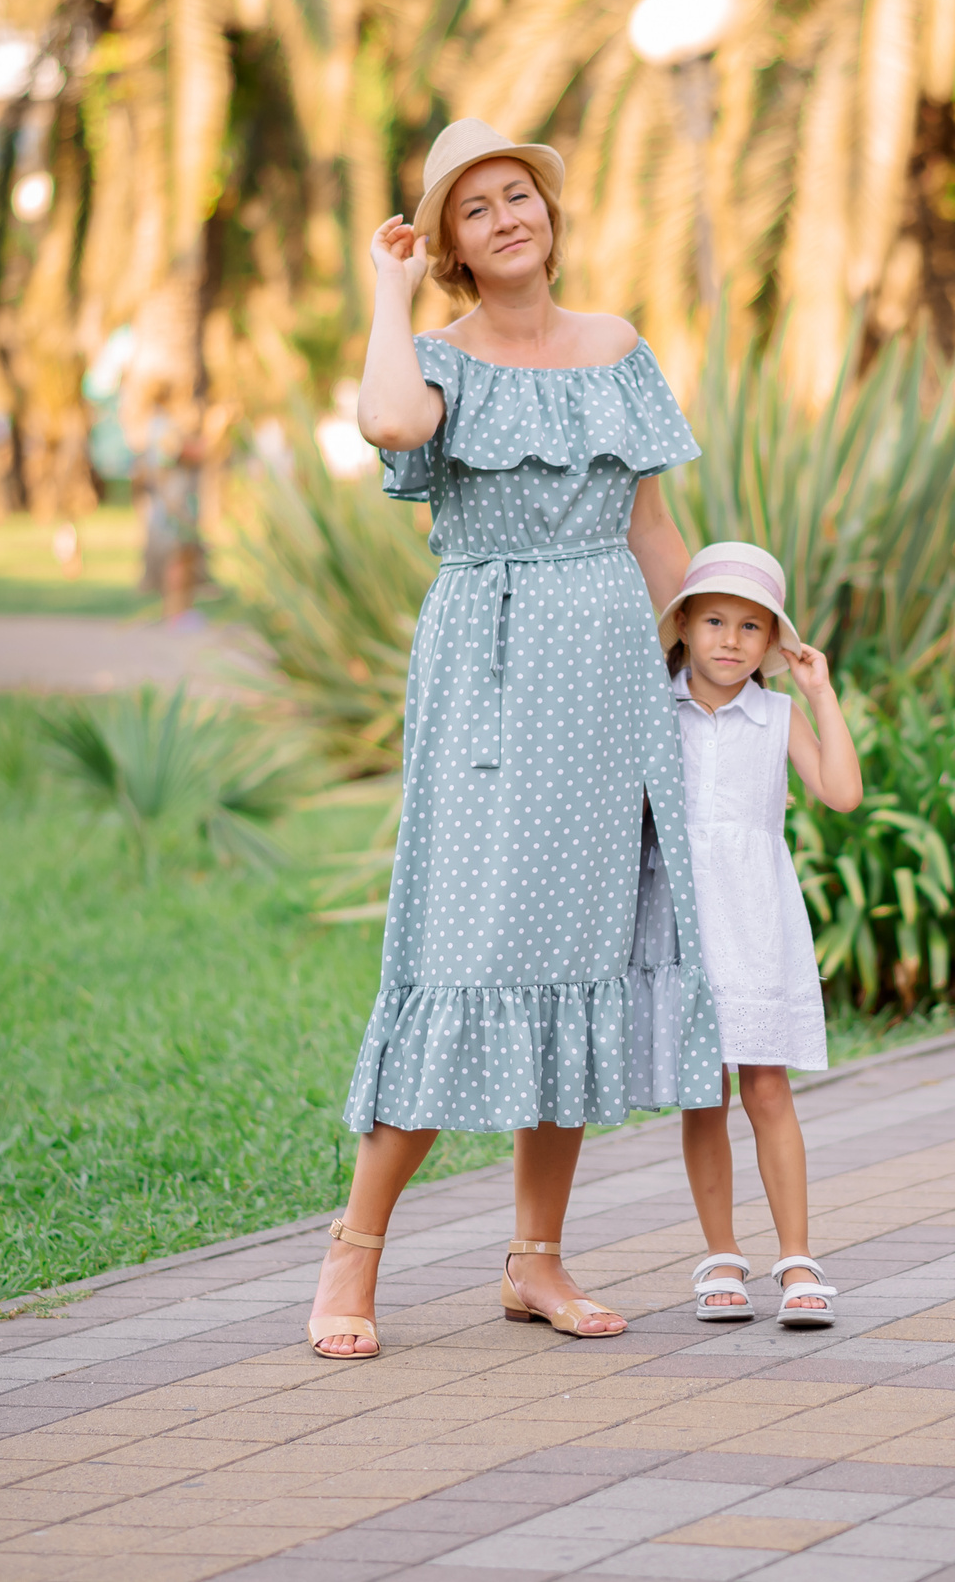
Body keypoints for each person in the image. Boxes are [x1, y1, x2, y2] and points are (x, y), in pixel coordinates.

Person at [307, 118, 721, 1360]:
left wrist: (720, 657)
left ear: (548, 212)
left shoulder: (618, 348)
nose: (506, 217)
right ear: (449, 246)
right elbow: (388, 425)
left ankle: (534, 1257)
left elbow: (653, 525)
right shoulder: (439, 359)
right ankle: (354, 1252)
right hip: (489, 677)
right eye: (473, 209)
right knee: (467, 946)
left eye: (518, 195)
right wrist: (386, 291)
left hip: (606, 678)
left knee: (579, 950)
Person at [657, 544, 863, 1328]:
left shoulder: (776, 714)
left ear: (774, 641)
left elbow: (841, 792)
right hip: (681, 921)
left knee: (766, 1086)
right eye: (714, 619)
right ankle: (720, 1257)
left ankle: (798, 1259)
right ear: (683, 623)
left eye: (751, 625)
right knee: (702, 1095)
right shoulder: (655, 708)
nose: (731, 640)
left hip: (754, 917)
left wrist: (820, 691)